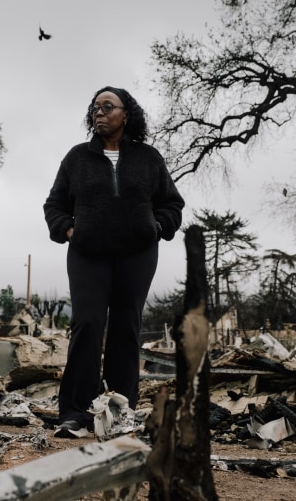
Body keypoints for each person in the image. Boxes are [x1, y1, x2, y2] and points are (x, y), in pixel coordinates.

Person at [43, 86, 185, 438]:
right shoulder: (77, 158)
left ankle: (121, 412)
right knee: (87, 325)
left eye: (108, 106)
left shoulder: (148, 158)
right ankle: (76, 412)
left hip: (137, 255)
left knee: (126, 329)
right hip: (88, 254)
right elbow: (54, 205)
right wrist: (68, 230)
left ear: (127, 114)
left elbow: (172, 204)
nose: (99, 112)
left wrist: (157, 227)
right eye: (94, 107)